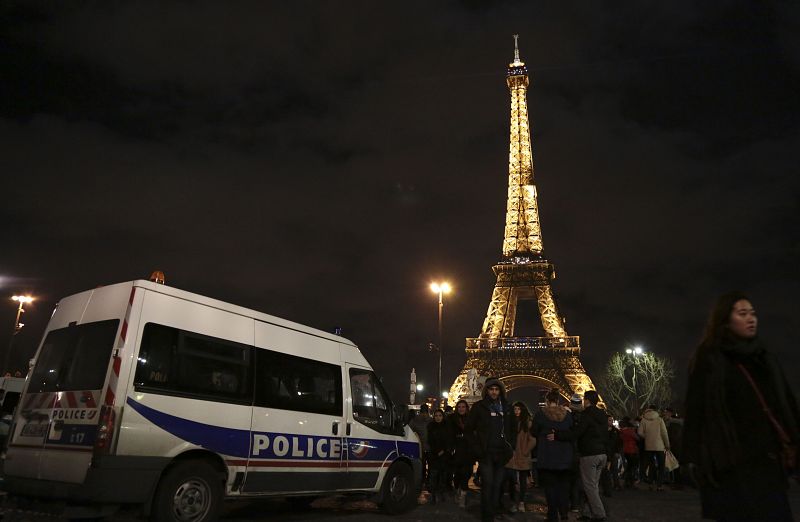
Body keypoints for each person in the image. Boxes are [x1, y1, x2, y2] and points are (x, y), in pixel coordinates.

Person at [684, 292, 800, 521]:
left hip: (767, 462)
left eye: (753, 313)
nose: (751, 319)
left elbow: (785, 404)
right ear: (725, 319)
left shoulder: (764, 357)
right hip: (729, 466)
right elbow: (696, 410)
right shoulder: (710, 359)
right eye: (743, 313)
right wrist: (692, 459)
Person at [465, 377, 516, 522]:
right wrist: (477, 448)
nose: (494, 392)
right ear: (486, 390)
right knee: (488, 485)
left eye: (496, 389)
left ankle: (492, 512)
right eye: (491, 389)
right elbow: (468, 430)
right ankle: (487, 516)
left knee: (497, 486)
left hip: (501, 454)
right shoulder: (479, 407)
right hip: (486, 453)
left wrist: (511, 446)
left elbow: (513, 429)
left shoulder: (507, 407)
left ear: (500, 391)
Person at [553, 390, 607, 521]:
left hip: (589, 454)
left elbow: (577, 433)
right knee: (593, 486)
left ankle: (599, 514)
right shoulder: (602, 415)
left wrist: (558, 435)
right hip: (602, 454)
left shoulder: (586, 415)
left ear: (587, 400)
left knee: (589, 487)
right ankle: (588, 513)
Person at [534, 388, 574, 522]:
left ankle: (552, 515)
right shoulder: (568, 415)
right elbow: (572, 432)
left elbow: (533, 431)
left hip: (547, 456)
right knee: (563, 487)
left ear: (546, 400)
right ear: (558, 400)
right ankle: (564, 513)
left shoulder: (540, 415)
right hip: (565, 457)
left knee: (550, 488)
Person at [505, 401, 536, 513]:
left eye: (519, 409)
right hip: (512, 454)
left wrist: (525, 451)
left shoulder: (527, 423)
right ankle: (514, 501)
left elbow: (532, 439)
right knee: (512, 479)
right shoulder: (510, 423)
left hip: (522, 455)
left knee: (522, 480)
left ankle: (521, 501)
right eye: (515, 409)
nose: (516, 411)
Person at [638, 404, 670, 491]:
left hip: (648, 446)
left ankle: (651, 484)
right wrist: (667, 445)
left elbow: (640, 432)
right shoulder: (659, 419)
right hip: (659, 446)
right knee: (661, 466)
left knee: (651, 466)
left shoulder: (643, 419)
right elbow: (664, 433)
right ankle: (659, 485)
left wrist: (647, 437)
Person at [449, 399, 474, 508]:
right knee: (458, 474)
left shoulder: (471, 420)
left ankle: (463, 495)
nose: (461, 409)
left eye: (463, 407)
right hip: (457, 450)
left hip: (468, 450)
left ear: (466, 408)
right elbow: (449, 434)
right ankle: (458, 488)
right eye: (459, 407)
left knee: (467, 473)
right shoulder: (452, 420)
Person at [427, 408, 453, 504]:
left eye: (440, 415)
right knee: (433, 475)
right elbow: (430, 440)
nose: (438, 418)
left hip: (444, 455)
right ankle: (433, 495)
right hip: (434, 455)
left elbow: (449, 440)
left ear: (443, 416)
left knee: (443, 475)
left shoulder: (447, 427)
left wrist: (444, 450)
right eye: (436, 416)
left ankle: (442, 493)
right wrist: (436, 451)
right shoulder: (430, 426)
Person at [409, 404, 432, 486]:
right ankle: (423, 480)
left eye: (425, 412)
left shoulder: (431, 421)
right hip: (420, 448)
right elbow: (410, 431)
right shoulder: (415, 420)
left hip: (429, 447)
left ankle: (427, 480)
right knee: (422, 465)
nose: (424, 414)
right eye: (423, 412)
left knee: (430, 465)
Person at [601, 414, 623, 495]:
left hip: (613, 452)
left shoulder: (616, 431)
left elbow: (619, 442)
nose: (611, 422)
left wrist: (617, 452)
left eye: (612, 420)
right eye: (609, 420)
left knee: (614, 469)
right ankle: (606, 485)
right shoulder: (602, 430)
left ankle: (616, 484)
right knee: (604, 470)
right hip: (604, 452)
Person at [663, 407, 683, 488]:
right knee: (674, 464)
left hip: (675, 446)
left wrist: (669, 444)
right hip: (675, 445)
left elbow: (673, 436)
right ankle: (675, 481)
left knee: (675, 464)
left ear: (670, 413)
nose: (665, 414)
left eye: (666, 412)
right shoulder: (673, 423)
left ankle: (677, 483)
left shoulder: (673, 423)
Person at [619, 417, 640, 488]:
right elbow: (637, 438)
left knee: (629, 467)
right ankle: (631, 482)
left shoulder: (621, 431)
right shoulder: (630, 431)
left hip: (625, 450)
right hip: (632, 450)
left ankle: (627, 482)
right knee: (632, 467)